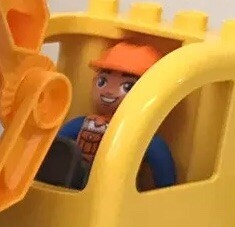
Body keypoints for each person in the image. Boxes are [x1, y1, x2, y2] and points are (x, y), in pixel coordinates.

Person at [59, 40, 177, 189]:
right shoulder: (84, 124)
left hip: (116, 193)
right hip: (74, 188)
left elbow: (162, 168)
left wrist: (165, 195)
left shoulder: (143, 137)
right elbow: (55, 146)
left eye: (127, 86)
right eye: (102, 82)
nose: (109, 91)